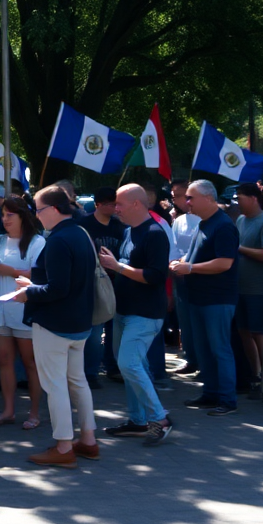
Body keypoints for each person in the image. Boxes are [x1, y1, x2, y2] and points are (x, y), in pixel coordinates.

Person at [13, 185, 99, 468]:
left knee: (56, 385)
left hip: (56, 324)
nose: (36, 216)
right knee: (77, 381)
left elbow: (58, 288)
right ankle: (87, 440)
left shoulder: (60, 240)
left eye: (38, 210)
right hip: (79, 322)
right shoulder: (81, 233)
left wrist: (29, 292)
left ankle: (64, 446)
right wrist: (35, 287)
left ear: (53, 209)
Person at [99, 184, 174, 446]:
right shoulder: (130, 231)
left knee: (129, 364)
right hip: (124, 310)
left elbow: (155, 276)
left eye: (119, 204)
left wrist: (117, 266)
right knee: (132, 365)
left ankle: (159, 419)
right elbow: (128, 267)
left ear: (135, 204)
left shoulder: (155, 233)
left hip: (145, 313)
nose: (115, 208)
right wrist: (114, 265)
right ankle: (138, 421)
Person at [169, 179, 240, 417]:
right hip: (197, 297)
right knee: (204, 349)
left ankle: (227, 400)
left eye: (191, 197)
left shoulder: (223, 226)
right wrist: (181, 263)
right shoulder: (203, 224)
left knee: (219, 348)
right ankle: (210, 394)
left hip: (217, 299)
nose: (186, 202)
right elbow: (193, 256)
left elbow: (224, 262)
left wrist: (190, 268)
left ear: (208, 198)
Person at [0, 196, 45, 430]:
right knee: (4, 361)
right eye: (3, 214)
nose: (5, 219)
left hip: (24, 308)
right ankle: (8, 411)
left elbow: (40, 276)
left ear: (22, 216)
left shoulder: (37, 242)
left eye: (10, 214)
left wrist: (11, 271)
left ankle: (35, 412)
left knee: (30, 363)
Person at [81, 186, 125, 387]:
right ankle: (90, 373)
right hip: (93, 284)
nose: (114, 208)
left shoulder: (119, 226)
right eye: (110, 204)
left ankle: (113, 367)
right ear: (98, 204)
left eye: (115, 204)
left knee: (114, 330)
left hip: (116, 283)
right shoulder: (84, 224)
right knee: (94, 331)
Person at [234, 182, 263, 395]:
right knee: (244, 332)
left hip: (259, 289)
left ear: (253, 198)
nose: (237, 202)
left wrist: (238, 248)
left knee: (259, 332)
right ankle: (254, 374)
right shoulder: (241, 220)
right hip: (240, 287)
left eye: (240, 197)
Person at [169, 180, 202, 375]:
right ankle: (191, 359)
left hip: (199, 278)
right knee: (185, 322)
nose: (178, 200)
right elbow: (173, 247)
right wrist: (173, 263)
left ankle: (203, 360)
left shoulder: (204, 220)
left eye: (180, 196)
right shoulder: (179, 221)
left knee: (200, 323)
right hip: (180, 279)